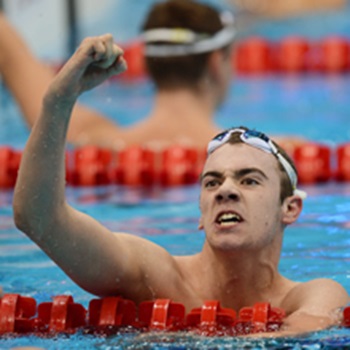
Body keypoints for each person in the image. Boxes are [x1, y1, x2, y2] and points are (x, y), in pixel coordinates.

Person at [12, 33, 349, 337]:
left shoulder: (315, 295)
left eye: (249, 180)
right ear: (201, 212)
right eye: (212, 182)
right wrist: (57, 100)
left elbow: (302, 334)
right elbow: (39, 219)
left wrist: (182, 339)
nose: (225, 191)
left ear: (289, 208)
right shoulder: (153, 276)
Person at [0, 0, 236, 150]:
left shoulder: (87, 140)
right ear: (216, 62)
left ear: (145, 61)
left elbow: (14, 55)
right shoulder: (253, 156)